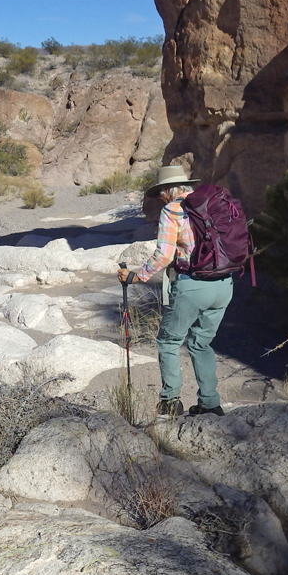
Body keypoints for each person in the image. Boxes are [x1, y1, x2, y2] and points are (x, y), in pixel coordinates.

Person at [117, 165, 233, 418]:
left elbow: (164, 254)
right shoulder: (214, 205)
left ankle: (170, 401)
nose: (160, 198)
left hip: (193, 285)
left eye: (160, 193)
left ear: (169, 190)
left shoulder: (172, 210)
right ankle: (210, 404)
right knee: (201, 343)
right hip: (225, 283)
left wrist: (138, 276)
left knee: (168, 341)